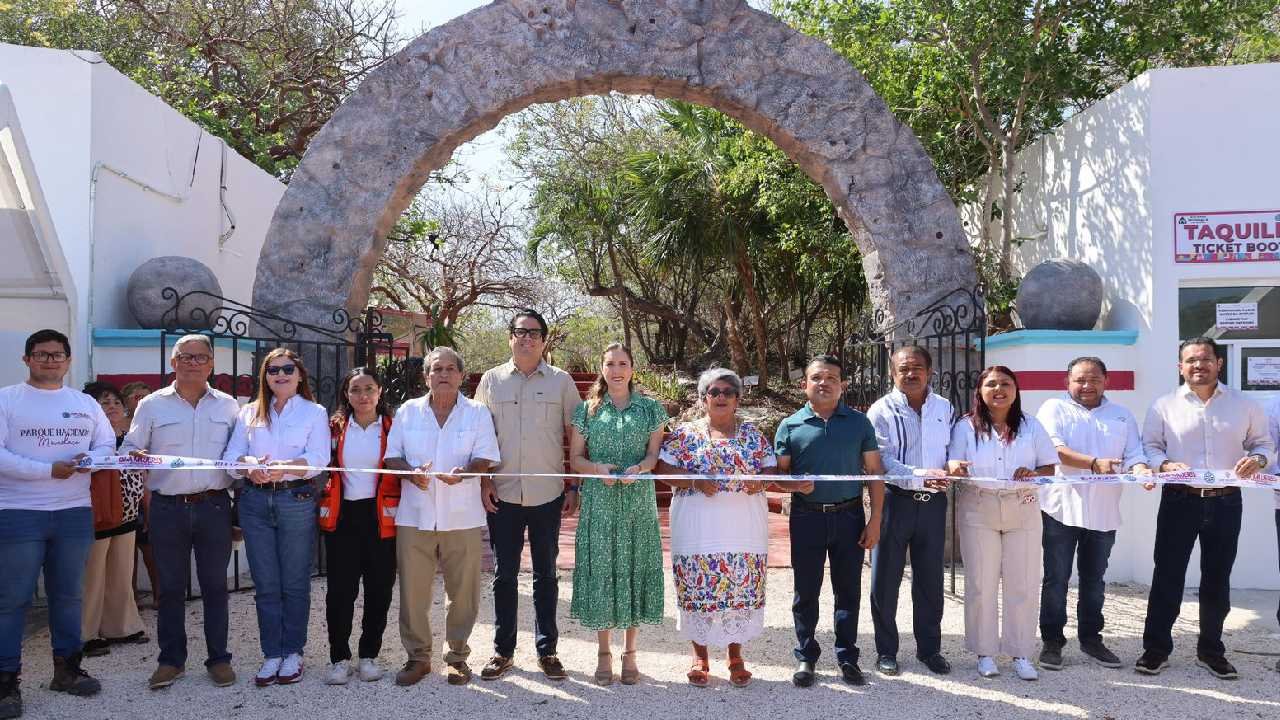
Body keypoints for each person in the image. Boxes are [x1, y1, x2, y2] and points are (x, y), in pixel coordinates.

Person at [1137, 336, 1274, 680]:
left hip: (1226, 501)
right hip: (1179, 501)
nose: (1199, 366)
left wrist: (1257, 459)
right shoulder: (1163, 406)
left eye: (1205, 359)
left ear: (1219, 363)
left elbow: (1263, 445)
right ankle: (1156, 650)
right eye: (1191, 361)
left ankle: (1211, 651)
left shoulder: (1244, 405)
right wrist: (1164, 464)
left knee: (1217, 578)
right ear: (1180, 366)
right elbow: (1150, 447)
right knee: (1167, 575)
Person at [0, 330, 114, 718]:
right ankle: (5, 683)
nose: (50, 360)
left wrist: (91, 461)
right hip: (18, 512)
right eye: (42, 354)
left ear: (68, 360)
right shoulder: (6, 399)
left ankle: (66, 670)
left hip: (73, 513)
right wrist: (48, 470)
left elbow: (106, 445)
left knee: (68, 597)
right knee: (11, 601)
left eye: (58, 354)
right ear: (27, 359)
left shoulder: (84, 403)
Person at [122, 334, 239, 690]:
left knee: (216, 587)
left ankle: (219, 658)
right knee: (170, 588)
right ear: (173, 363)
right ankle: (171, 660)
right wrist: (137, 455)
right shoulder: (152, 405)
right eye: (185, 357)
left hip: (214, 506)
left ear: (211, 364)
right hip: (167, 509)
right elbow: (130, 447)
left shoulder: (229, 406)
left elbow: (239, 456)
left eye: (200, 357)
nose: (193, 362)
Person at [473, 310, 582, 682]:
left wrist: (573, 485)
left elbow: (575, 436)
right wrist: (485, 481)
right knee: (504, 575)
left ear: (544, 340)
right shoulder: (491, 380)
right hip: (502, 494)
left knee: (546, 574)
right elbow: (480, 436)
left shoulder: (562, 382)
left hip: (548, 494)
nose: (527, 338)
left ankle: (547, 649)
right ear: (510, 337)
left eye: (535, 333)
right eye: (521, 332)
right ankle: (503, 651)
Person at [384, 347, 500, 687]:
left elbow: (485, 457)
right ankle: (418, 658)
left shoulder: (477, 412)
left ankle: (458, 658)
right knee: (412, 592)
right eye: (437, 369)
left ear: (462, 376)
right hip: (415, 514)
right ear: (426, 376)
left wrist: (465, 473)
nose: (444, 374)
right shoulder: (407, 412)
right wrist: (410, 473)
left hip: (462, 514)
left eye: (451, 369)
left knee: (463, 591)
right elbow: (392, 457)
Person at [657, 367, 775, 689]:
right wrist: (694, 480)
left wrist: (759, 481)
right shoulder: (685, 433)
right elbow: (662, 467)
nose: (721, 397)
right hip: (697, 530)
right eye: (714, 392)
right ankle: (700, 656)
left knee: (739, 589)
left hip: (743, 531)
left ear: (737, 399)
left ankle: (735, 656)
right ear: (704, 399)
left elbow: (772, 468)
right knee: (698, 589)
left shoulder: (753, 435)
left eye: (728, 392)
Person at [775, 355, 885, 688]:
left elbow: (875, 471)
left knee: (848, 590)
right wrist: (794, 484)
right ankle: (806, 656)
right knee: (805, 590)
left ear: (843, 386)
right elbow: (778, 475)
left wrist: (876, 518)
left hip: (850, 516)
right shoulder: (790, 426)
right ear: (804, 384)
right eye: (817, 377)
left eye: (832, 378)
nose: (824, 383)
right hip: (807, 517)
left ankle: (847, 657)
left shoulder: (859, 423)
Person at [222, 348, 330, 687]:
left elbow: (319, 458)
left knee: (295, 581)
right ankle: (272, 653)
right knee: (266, 582)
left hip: (295, 499)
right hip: (255, 502)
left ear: (299, 375)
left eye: (287, 369)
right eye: (272, 370)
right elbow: (231, 457)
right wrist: (251, 468)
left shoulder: (315, 412)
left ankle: (293, 651)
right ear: (265, 377)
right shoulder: (249, 412)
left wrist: (284, 468)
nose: (279, 375)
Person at [1035, 357, 1149, 672]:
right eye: (1080, 380)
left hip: (1103, 511)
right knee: (1056, 579)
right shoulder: (1053, 409)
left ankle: (1091, 639)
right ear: (1067, 382)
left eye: (1094, 379)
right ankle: (1052, 641)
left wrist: (1141, 469)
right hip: (1060, 509)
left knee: (1094, 580)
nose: (1087, 386)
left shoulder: (1122, 415)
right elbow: (1053, 450)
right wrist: (1094, 462)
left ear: (1105, 381)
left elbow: (1134, 453)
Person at [947, 366, 1057, 681]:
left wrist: (1032, 473)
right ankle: (985, 653)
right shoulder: (965, 427)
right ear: (980, 391)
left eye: (1006, 383)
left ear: (1016, 389)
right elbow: (954, 464)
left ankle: (1021, 653)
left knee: (1022, 583)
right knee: (981, 584)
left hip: (1022, 506)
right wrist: (955, 466)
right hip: (978, 506)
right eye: (991, 384)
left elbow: (1048, 467)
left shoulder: (1031, 426)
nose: (999, 389)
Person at [567, 344, 667, 686]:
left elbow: (654, 456)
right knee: (604, 569)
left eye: (622, 363)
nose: (616, 370)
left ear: (632, 368)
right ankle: (603, 653)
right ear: (602, 368)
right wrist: (597, 469)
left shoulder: (651, 409)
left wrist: (641, 467)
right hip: (600, 500)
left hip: (638, 501)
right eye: (610, 364)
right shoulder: (586, 411)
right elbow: (575, 460)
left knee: (634, 567)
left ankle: (631, 653)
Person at [866, 346, 954, 677]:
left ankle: (929, 649)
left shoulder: (944, 408)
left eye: (917, 367)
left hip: (933, 505)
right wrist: (920, 476)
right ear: (893, 373)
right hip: (895, 502)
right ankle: (886, 651)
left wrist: (949, 468)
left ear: (930, 371)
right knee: (885, 581)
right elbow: (881, 460)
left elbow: (952, 449)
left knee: (931, 580)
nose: (911, 373)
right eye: (903, 369)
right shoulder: (881, 410)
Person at [318, 367, 398, 685]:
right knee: (340, 591)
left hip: (380, 518)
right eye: (355, 390)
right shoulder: (334, 427)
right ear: (346, 395)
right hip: (342, 516)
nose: (362, 396)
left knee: (379, 589)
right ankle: (339, 657)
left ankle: (369, 655)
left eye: (369, 389)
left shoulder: (393, 427)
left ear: (379, 392)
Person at [79, 383, 148, 658]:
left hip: (127, 511)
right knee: (92, 574)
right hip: (98, 512)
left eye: (116, 402)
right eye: (104, 402)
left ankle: (122, 625)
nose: (112, 407)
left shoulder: (131, 437)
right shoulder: (88, 438)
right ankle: (85, 632)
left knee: (121, 570)